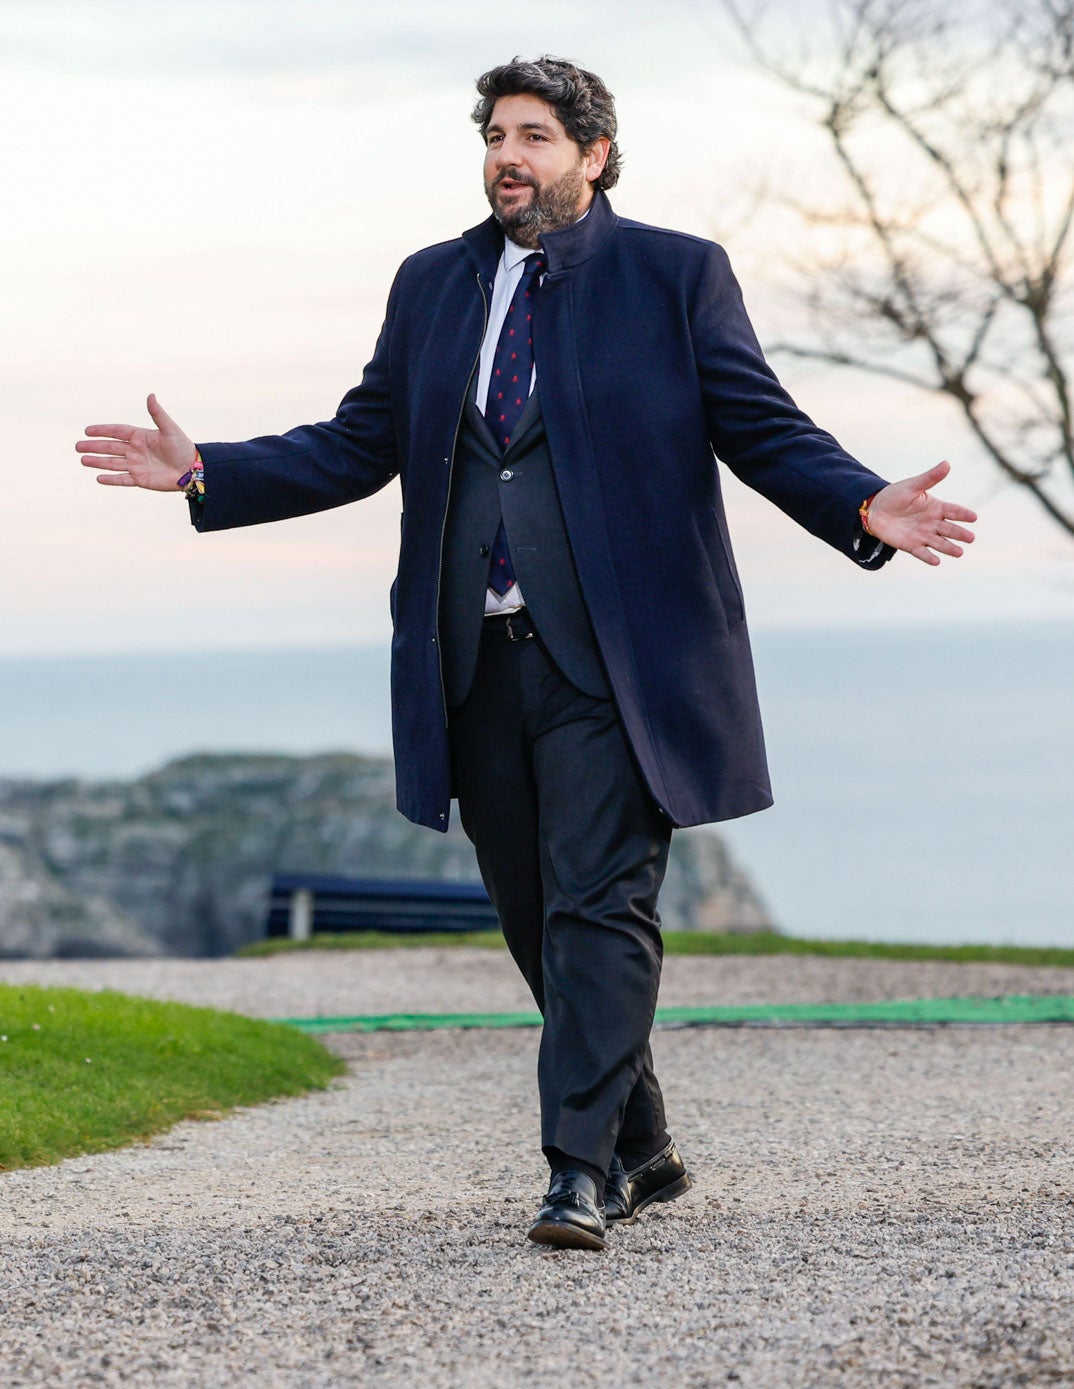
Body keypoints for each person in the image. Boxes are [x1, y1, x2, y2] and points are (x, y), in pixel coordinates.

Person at [77, 55, 977, 1252]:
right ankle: (643, 1143)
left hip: (618, 657)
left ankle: (576, 1174)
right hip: (474, 653)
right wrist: (207, 471)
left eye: (538, 135)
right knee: (532, 911)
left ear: (595, 154)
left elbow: (758, 421)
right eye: (497, 134)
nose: (510, 154)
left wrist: (860, 502)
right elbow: (361, 442)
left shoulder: (675, 276)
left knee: (599, 906)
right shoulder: (434, 283)